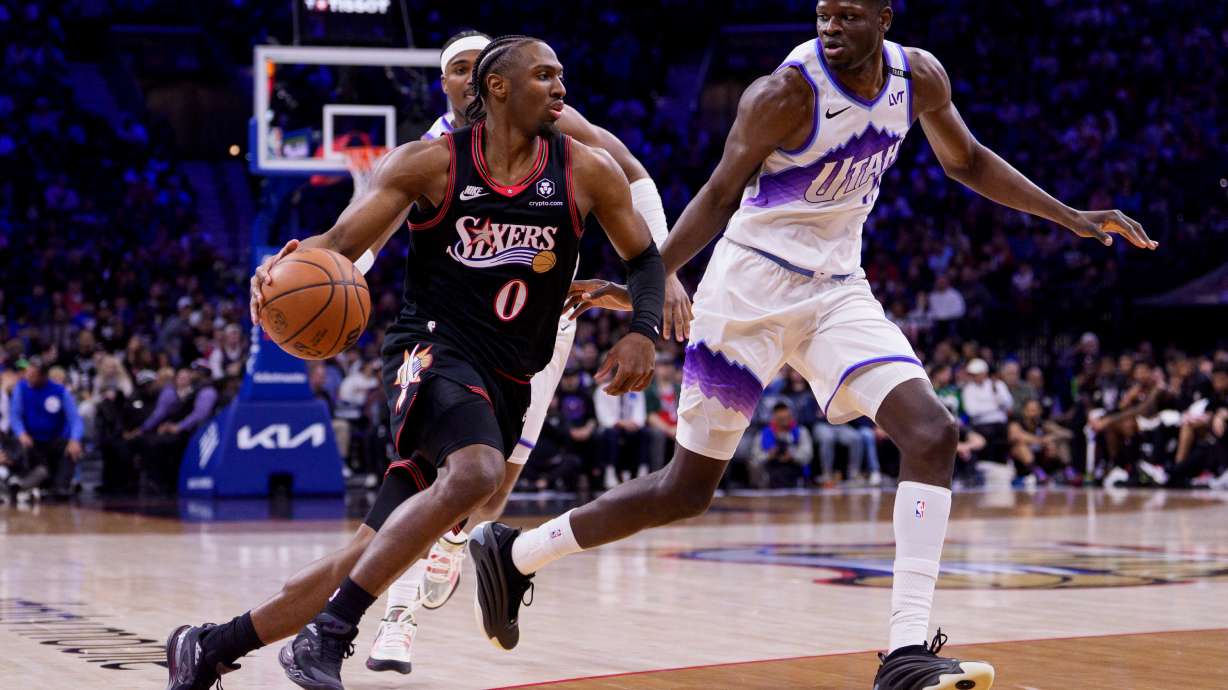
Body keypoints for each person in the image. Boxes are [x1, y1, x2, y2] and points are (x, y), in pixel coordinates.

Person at [470, 2, 1156, 688]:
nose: (831, 27)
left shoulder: (918, 77)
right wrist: (645, 288)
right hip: (746, 297)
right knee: (685, 490)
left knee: (932, 432)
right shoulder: (785, 92)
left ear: (884, 18)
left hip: (836, 291)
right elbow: (715, 196)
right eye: (824, 13)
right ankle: (517, 552)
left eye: (849, 16)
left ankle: (907, 650)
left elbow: (967, 160)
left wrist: (1069, 216)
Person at [165, 34, 664, 690]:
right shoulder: (428, 164)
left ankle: (209, 646)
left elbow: (645, 257)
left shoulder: (584, 169)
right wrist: (280, 268)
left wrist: (642, 329)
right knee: (479, 472)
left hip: (509, 376)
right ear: (499, 88)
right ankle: (331, 633)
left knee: (368, 550)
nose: (561, 87)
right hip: (429, 350)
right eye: (545, 76)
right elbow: (341, 243)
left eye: (561, 75)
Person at [355, 30, 692, 675]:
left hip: (543, 319)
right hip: (452, 332)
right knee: (443, 471)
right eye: (453, 69)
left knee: (494, 485)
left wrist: (667, 271)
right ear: (452, 84)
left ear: (494, 79)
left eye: (471, 65)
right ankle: (396, 618)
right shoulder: (430, 152)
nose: (463, 77)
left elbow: (634, 172)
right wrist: (344, 269)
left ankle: (455, 541)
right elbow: (371, 232)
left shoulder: (556, 124)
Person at [8, 355, 84, 499]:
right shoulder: (21, 388)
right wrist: (21, 433)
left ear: (43, 376)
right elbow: (15, 416)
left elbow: (75, 419)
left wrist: (75, 439)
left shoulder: (59, 391)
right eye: (27, 374)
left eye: (32, 375)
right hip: (31, 440)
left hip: (53, 440)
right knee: (19, 445)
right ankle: (22, 482)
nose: (28, 378)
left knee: (72, 448)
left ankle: (61, 486)